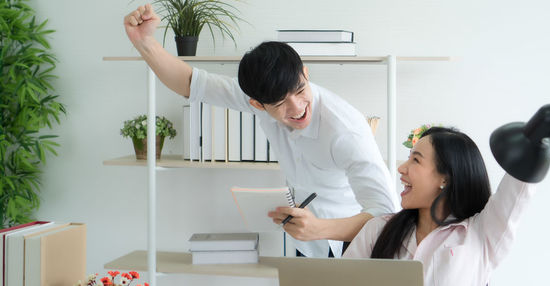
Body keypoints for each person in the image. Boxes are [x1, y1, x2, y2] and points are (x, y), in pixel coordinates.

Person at [123, 4, 398, 258]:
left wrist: (321, 228)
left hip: (352, 240)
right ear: (257, 104)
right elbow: (192, 83)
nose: (297, 108)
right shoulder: (257, 96)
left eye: (301, 90)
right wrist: (143, 42)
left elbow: (386, 214)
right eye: (279, 104)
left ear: (305, 72)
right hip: (304, 238)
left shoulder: (345, 131)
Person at [343, 51, 550, 285]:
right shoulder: (378, 230)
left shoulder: (481, 235)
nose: (401, 169)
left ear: (445, 178)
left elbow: (521, 181)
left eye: (416, 160)